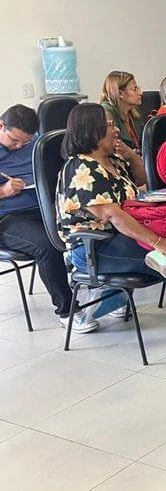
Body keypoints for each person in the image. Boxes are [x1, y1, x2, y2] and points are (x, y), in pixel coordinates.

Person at [57, 103, 166, 357]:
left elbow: (143, 180)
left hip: (126, 232)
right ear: (92, 130)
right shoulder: (81, 167)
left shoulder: (111, 160)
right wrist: (158, 242)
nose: (116, 130)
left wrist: (130, 156)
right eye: (109, 125)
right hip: (94, 245)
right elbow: (113, 215)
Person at [0, 105, 98, 333]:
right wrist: (3, 191)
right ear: (1, 125)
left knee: (92, 224)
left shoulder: (36, 144)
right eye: (14, 140)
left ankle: (107, 292)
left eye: (25, 142)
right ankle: (68, 312)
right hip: (8, 218)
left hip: (46, 209)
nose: (19, 146)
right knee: (47, 246)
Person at [100, 71, 143, 151]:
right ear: (120, 93)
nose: (140, 93)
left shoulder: (134, 110)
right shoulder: (106, 112)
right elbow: (112, 148)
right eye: (134, 89)